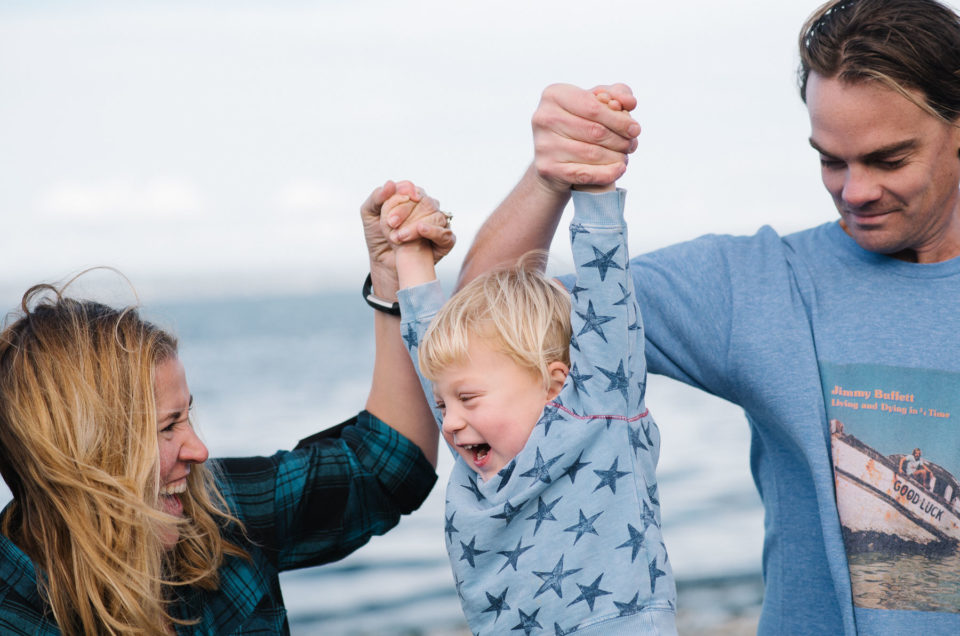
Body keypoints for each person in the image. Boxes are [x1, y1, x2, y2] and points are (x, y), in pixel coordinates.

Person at [394, 0, 960, 633]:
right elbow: (483, 335)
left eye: (889, 160)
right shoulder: (757, 285)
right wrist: (553, 173)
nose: (854, 190)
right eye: (831, 160)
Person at [0, 181, 451, 635]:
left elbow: (385, 466)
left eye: (187, 416)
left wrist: (392, 282)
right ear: (80, 453)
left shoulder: (214, 508)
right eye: (168, 427)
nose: (198, 449)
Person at [382, 127, 677, 632]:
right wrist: (411, 253)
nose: (449, 423)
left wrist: (594, 185)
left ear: (553, 382)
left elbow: (607, 294)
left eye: (467, 399)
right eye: (444, 404)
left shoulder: (600, 413)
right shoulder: (482, 454)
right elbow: (431, 352)